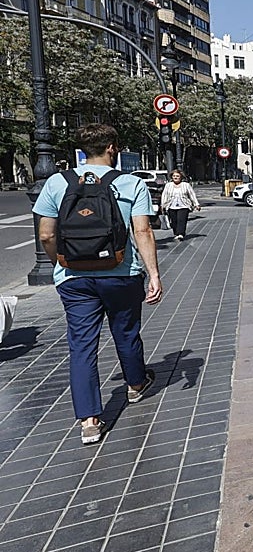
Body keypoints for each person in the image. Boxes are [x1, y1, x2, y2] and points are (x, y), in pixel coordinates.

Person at [33, 123, 163, 445]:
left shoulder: (56, 182)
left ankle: (89, 420)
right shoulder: (131, 184)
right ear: (113, 148)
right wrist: (154, 275)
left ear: (81, 150)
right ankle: (135, 385)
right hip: (121, 273)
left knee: (81, 344)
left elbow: (46, 235)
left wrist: (60, 265)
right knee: (126, 331)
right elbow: (143, 232)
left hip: (73, 279)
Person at [161, 169, 200, 241]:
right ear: (171, 177)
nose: (175, 177)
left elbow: (192, 195)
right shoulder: (168, 185)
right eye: (174, 176)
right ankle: (176, 233)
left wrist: (196, 204)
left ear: (181, 177)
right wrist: (163, 205)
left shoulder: (186, 185)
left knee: (181, 220)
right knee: (174, 221)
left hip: (184, 205)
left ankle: (181, 234)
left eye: (177, 176)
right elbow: (164, 195)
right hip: (171, 206)